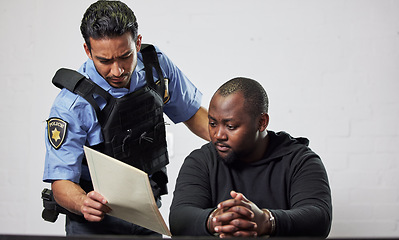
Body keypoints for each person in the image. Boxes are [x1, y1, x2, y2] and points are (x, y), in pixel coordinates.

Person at [43, 0, 209, 236]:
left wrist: (237, 139)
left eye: (125, 56)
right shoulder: (71, 105)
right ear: (88, 51)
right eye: (105, 61)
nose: (117, 70)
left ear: (137, 43)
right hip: (95, 225)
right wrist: (83, 202)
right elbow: (60, 183)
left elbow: (195, 115)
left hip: (148, 215)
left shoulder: (155, 67)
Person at [169, 77, 332, 238]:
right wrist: (216, 220)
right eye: (212, 124)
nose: (218, 135)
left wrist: (267, 221)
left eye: (230, 126)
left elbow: (319, 218)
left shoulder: (300, 161)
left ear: (262, 122)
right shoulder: (200, 161)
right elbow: (179, 219)